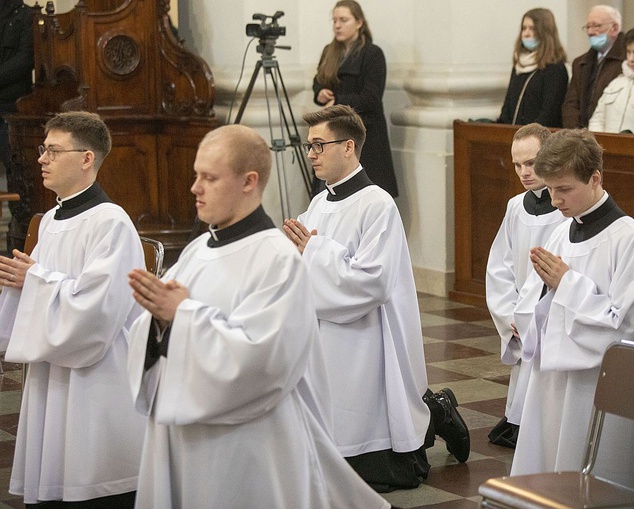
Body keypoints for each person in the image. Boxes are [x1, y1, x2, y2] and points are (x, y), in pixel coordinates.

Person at [125, 124, 390, 509]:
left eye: (209, 178)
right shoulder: (199, 249)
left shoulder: (276, 260)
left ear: (249, 181)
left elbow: (261, 362)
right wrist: (160, 323)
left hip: (245, 447)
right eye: (196, 176)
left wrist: (183, 315)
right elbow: (157, 335)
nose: (195, 188)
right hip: (185, 435)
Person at [282, 105, 470, 492]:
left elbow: (373, 282)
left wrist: (314, 252)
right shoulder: (319, 203)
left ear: (348, 146)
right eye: (309, 146)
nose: (311, 154)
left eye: (319, 145)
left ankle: (435, 410)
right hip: (325, 330)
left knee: (380, 458)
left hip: (367, 333)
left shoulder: (377, 204)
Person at [0, 112, 146, 507]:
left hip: (96, 376)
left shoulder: (110, 222)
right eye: (42, 149)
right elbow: (44, 284)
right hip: (53, 368)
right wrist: (23, 281)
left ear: (86, 159)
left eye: (53, 150)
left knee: (88, 483)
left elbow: (99, 310)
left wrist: (35, 280)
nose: (41, 159)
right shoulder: (49, 220)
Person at [510, 129, 634, 491]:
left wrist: (568, 285)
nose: (555, 199)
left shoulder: (629, 239)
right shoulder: (561, 233)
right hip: (553, 381)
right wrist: (530, 314)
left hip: (596, 386)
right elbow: (537, 299)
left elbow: (630, 330)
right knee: (550, 471)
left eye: (564, 189)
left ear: (595, 178)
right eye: (550, 189)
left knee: (590, 477)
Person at [485, 123, 565, 449]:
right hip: (521, 315)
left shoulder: (567, 209)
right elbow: (499, 268)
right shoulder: (516, 206)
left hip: (552, 314)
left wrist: (535, 314)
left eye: (531, 163)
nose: (523, 172)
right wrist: (511, 317)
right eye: (517, 164)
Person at [312, 0, 397, 198]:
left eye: (343, 20)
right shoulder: (329, 51)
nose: (337, 25)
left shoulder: (373, 54)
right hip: (331, 133)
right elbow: (318, 82)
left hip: (365, 135)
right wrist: (320, 92)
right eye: (334, 21)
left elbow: (371, 98)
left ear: (359, 22)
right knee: (331, 195)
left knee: (364, 197)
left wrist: (338, 101)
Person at [496, 8, 568, 127]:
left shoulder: (555, 69)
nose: (526, 33)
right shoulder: (519, 65)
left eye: (532, 28)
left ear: (545, 32)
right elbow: (507, 107)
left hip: (539, 138)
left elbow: (549, 114)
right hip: (514, 136)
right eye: (524, 28)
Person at [589, 23, 634, 134]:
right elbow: (598, 118)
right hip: (605, 147)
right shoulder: (617, 82)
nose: (631, 58)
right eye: (628, 52)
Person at [561, 5, 626, 128]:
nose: (590, 32)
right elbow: (571, 104)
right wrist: (576, 135)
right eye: (588, 27)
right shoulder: (580, 63)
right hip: (580, 136)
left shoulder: (626, 61)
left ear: (614, 28)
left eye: (596, 26)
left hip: (610, 133)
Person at [0, 0, 33, 176]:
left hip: (13, 105)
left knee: (15, 167)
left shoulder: (27, 15)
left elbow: (25, 59)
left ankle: (17, 204)